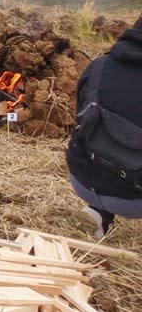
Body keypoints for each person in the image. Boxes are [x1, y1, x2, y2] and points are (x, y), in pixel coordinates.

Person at [66, 15, 142, 238]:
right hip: (134, 197)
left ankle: (97, 214)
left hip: (83, 180)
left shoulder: (99, 65)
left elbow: (79, 120)